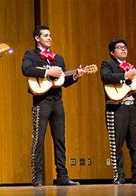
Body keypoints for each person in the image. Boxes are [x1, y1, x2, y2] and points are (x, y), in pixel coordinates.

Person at [22, 25, 85, 186]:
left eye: (50, 35)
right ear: (37, 38)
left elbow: (63, 81)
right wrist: (46, 73)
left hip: (57, 101)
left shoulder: (58, 59)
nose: (49, 38)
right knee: (38, 139)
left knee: (60, 139)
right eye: (45, 35)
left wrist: (76, 76)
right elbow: (26, 69)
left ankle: (62, 176)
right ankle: (37, 177)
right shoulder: (31, 55)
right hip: (41, 101)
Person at [100, 38, 136, 184]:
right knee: (116, 143)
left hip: (132, 108)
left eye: (125, 47)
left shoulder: (133, 67)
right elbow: (105, 77)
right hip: (116, 108)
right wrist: (126, 75)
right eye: (119, 47)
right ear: (113, 52)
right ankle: (119, 176)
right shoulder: (108, 64)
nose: (123, 49)